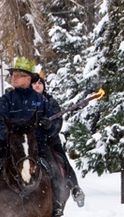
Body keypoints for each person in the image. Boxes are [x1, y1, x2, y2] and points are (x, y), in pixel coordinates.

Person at [0, 57, 64, 217]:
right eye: (13, 75)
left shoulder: (40, 100)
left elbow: (54, 122)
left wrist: (48, 127)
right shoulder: (6, 99)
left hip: (36, 144)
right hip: (10, 144)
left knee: (53, 166)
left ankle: (56, 201)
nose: (14, 78)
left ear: (29, 78)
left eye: (18, 75)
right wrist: (9, 138)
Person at [32, 75, 85, 207]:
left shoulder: (51, 102)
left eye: (40, 83)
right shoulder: (27, 102)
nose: (37, 85)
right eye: (34, 83)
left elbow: (57, 123)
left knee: (61, 162)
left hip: (50, 141)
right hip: (32, 141)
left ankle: (75, 188)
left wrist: (49, 127)